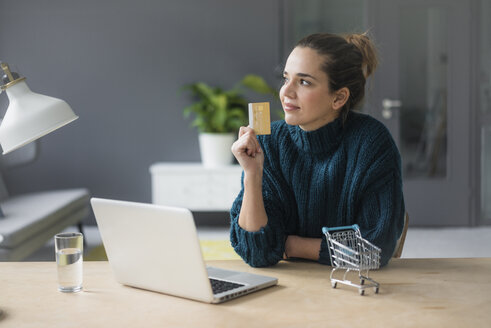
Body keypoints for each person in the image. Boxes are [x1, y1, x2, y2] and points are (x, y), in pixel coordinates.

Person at [229, 32, 405, 268]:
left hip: (350, 289)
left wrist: (291, 245)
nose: (286, 92)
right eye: (286, 78)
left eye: (304, 82)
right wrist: (253, 174)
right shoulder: (268, 144)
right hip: (287, 290)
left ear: (339, 97)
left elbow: (375, 248)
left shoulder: (371, 143)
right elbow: (257, 253)